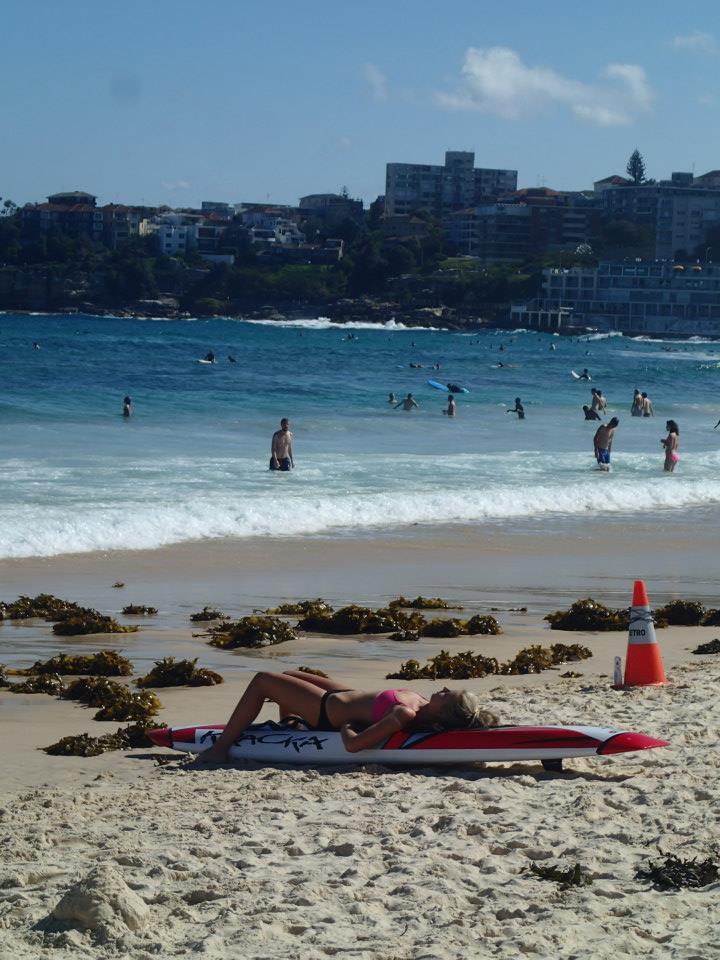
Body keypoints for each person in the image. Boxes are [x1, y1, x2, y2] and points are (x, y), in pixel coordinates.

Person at [195, 669, 499, 763]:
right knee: (287, 674)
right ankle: (291, 724)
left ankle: (221, 748)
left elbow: (355, 745)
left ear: (443, 711)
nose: (444, 688)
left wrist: (347, 726)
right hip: (347, 695)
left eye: (448, 694)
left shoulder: (404, 713)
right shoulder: (420, 703)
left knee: (263, 680)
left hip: (327, 711)